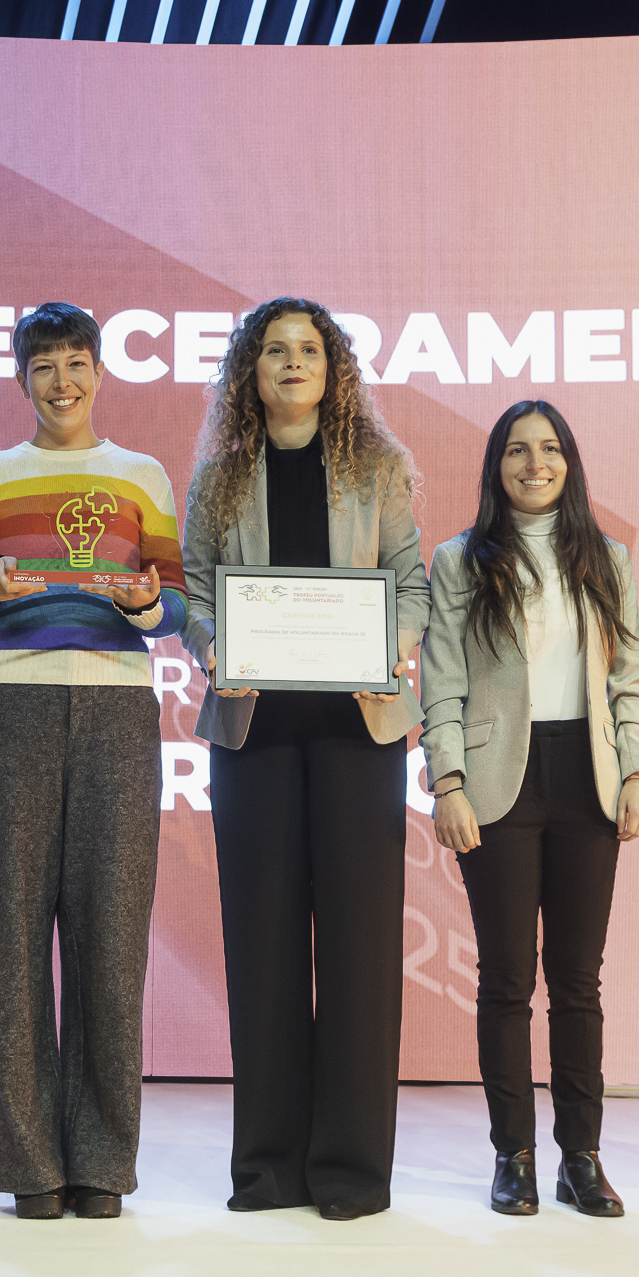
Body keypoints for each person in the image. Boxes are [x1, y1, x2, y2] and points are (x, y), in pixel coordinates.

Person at [178, 297, 428, 1220]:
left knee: (361, 952)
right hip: (255, 735)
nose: (292, 362)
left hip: (360, 731)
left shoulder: (377, 467)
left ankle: (352, 1171)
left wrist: (388, 645)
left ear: (333, 370)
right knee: (263, 947)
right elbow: (194, 591)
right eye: (275, 349)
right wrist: (213, 646)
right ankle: (269, 1167)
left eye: (309, 350)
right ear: (250, 368)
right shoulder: (219, 478)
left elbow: (412, 583)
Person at [0, 302, 185, 1221]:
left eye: (75, 363)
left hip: (118, 707)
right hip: (8, 704)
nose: (61, 381)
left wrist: (147, 602)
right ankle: (30, 1164)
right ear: (21, 379)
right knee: (9, 938)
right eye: (43, 366)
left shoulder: (143, 476)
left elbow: (178, 606)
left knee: (111, 940)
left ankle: (103, 1163)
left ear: (99, 372)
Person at [422, 399, 639, 1218]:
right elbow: (443, 679)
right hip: (498, 780)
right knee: (506, 979)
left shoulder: (608, 557)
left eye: (551, 448)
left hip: (588, 776)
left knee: (578, 981)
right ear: (496, 465)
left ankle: (582, 1157)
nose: (535, 463)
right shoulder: (458, 560)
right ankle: (513, 1155)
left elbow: (630, 675)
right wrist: (448, 781)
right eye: (518, 450)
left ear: (570, 462)